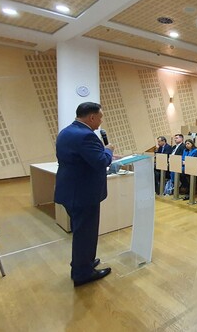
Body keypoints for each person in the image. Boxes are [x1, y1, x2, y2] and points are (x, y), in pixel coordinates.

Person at [54, 102, 114, 287]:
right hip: (83, 193)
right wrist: (108, 150)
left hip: (71, 190)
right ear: (92, 117)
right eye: (100, 117)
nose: (101, 121)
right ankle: (83, 273)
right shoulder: (86, 136)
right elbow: (100, 161)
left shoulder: (66, 131)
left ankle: (84, 262)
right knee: (85, 233)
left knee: (81, 231)